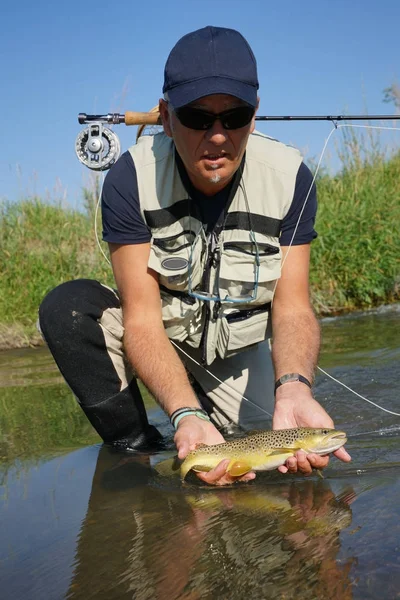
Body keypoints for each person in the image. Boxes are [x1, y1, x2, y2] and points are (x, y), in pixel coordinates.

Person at [39, 25, 351, 486]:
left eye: (235, 115)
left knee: (281, 471)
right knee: (68, 308)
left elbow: (293, 306)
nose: (219, 136)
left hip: (237, 351)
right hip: (159, 336)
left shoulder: (290, 179)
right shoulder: (131, 179)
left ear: (255, 113)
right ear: (165, 117)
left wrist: (294, 388)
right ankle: (141, 452)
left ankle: (211, 425)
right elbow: (141, 320)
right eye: (197, 117)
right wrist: (184, 413)